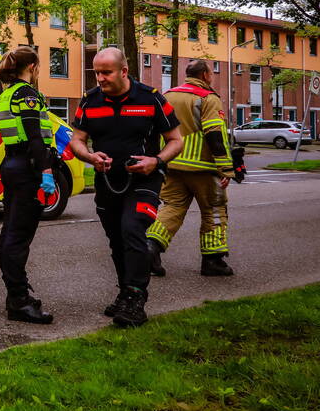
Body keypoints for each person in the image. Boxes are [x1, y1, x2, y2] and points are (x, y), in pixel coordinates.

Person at [68, 47, 183, 328]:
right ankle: (124, 293)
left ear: (123, 71)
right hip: (108, 181)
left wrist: (155, 161)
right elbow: (77, 140)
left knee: (133, 230)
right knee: (116, 240)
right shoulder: (90, 100)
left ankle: (136, 298)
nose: (100, 78)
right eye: (97, 72)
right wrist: (90, 156)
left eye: (106, 72)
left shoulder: (151, 98)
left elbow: (176, 140)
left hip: (144, 180)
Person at [147, 60, 238, 277]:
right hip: (203, 168)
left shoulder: (167, 96)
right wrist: (226, 169)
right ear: (206, 75)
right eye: (211, 73)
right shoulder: (208, 98)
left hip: (171, 164)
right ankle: (213, 261)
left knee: (171, 208)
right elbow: (215, 135)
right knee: (214, 210)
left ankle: (149, 250)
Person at [0, 46, 55, 324]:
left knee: (10, 232)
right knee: (19, 237)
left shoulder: (5, 95)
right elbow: (35, 138)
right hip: (27, 167)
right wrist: (47, 172)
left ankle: (14, 294)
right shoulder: (27, 94)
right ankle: (19, 301)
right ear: (32, 66)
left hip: (11, 165)